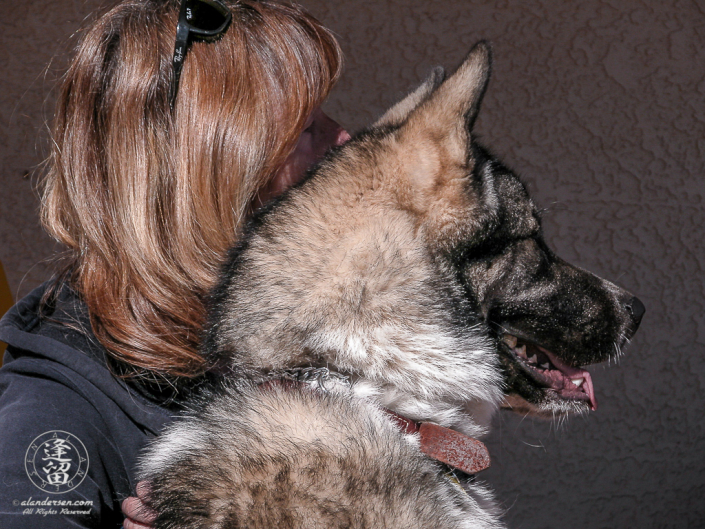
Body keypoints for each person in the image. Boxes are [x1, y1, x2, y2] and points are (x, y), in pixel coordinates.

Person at [0, 0, 349, 527]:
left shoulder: (291, 330)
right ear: (210, 176)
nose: (344, 138)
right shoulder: (54, 414)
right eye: (305, 130)